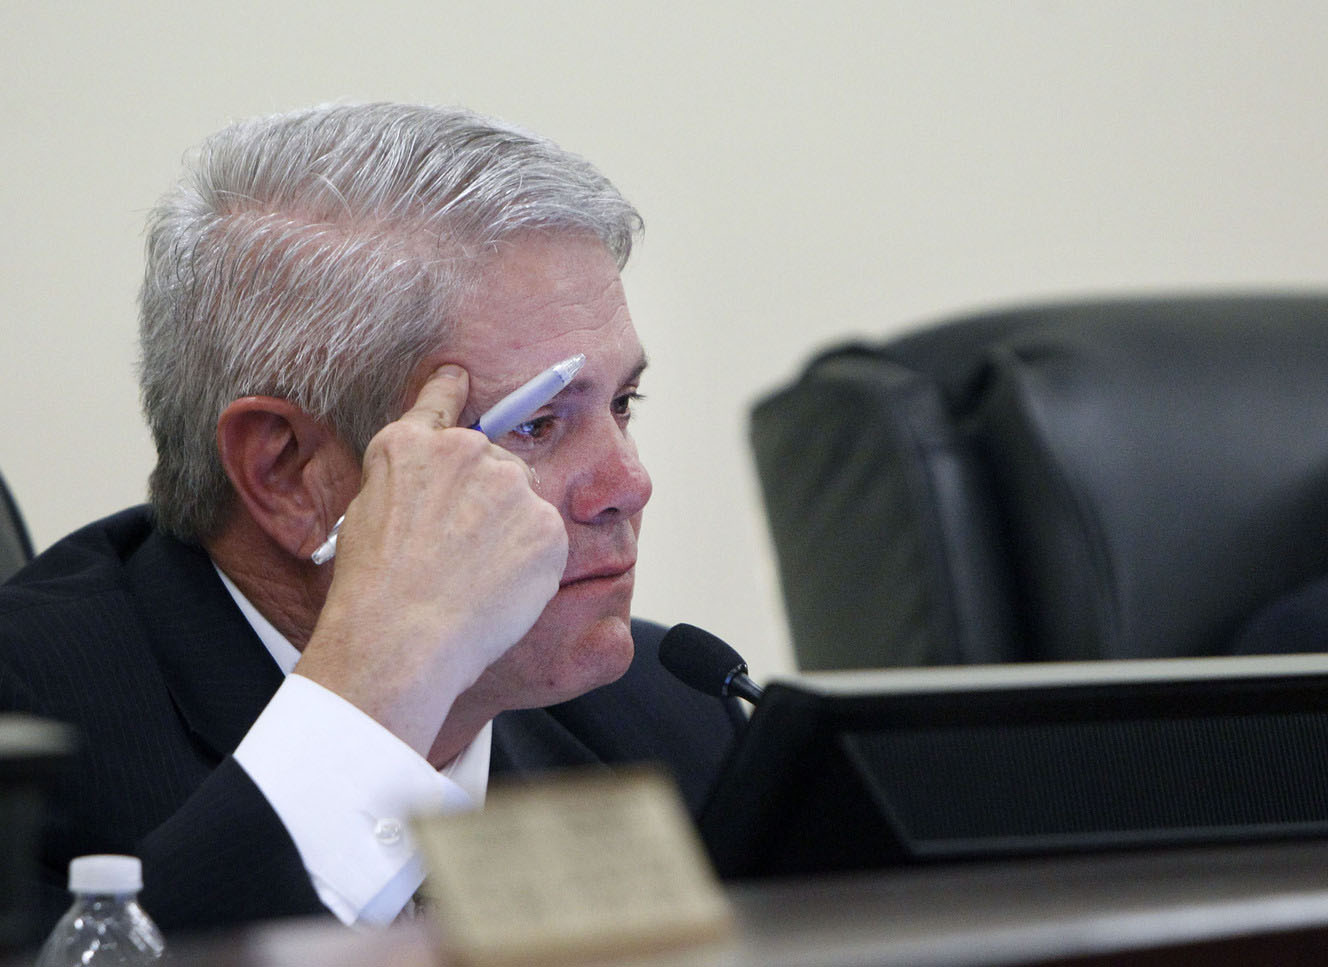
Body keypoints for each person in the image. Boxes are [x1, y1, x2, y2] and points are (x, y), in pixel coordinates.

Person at [0, 103, 739, 934]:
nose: (628, 484)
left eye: (625, 402)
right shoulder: (25, 742)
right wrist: (378, 690)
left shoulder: (666, 722)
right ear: (287, 471)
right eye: (536, 425)